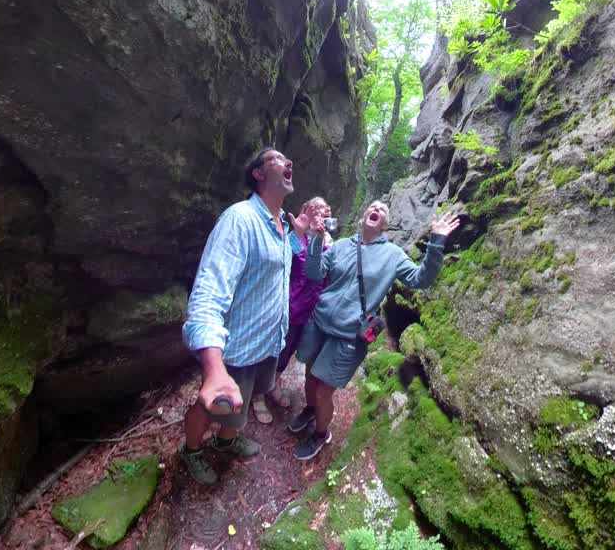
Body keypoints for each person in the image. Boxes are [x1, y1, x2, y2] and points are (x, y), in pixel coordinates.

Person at [288, 200, 460, 460]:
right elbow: (313, 273)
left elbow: (421, 280)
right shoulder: (343, 245)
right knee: (311, 374)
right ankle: (311, 409)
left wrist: (436, 242)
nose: (377, 209)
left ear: (384, 225)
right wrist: (315, 238)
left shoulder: (393, 255)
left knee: (325, 389)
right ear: (363, 215)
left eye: (382, 210)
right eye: (373, 207)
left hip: (348, 336)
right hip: (320, 323)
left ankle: (321, 434)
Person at [178, 147, 309, 485]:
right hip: (236, 349)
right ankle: (191, 450)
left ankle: (225, 443)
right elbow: (208, 291)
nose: (289, 162)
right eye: (279, 159)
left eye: (288, 159)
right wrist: (213, 366)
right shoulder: (240, 219)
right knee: (213, 408)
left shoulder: (280, 225)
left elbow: (278, 268)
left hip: (266, 345)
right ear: (258, 174)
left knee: (241, 404)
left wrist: (300, 236)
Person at [251, 196, 334, 423]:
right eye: (317, 211)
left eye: (326, 212)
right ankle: (257, 395)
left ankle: (272, 385)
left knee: (287, 351)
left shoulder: (328, 243)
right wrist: (299, 232)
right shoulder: (296, 238)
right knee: (271, 349)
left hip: (310, 312)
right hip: (287, 305)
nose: (322, 216)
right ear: (305, 211)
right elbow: (283, 257)